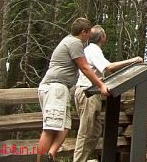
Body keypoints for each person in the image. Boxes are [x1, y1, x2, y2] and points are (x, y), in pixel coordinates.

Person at [37, 18, 108, 162]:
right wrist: (100, 85)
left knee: (64, 126)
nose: (90, 37)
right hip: (55, 87)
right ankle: (42, 159)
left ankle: (50, 155)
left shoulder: (69, 40)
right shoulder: (75, 43)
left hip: (58, 88)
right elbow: (84, 67)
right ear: (83, 32)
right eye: (89, 33)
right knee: (50, 129)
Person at [73, 25, 142, 162]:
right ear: (102, 37)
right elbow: (107, 67)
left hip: (89, 93)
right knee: (86, 132)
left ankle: (84, 159)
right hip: (88, 93)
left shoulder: (91, 50)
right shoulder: (93, 50)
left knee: (95, 130)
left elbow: (106, 71)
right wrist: (133, 60)